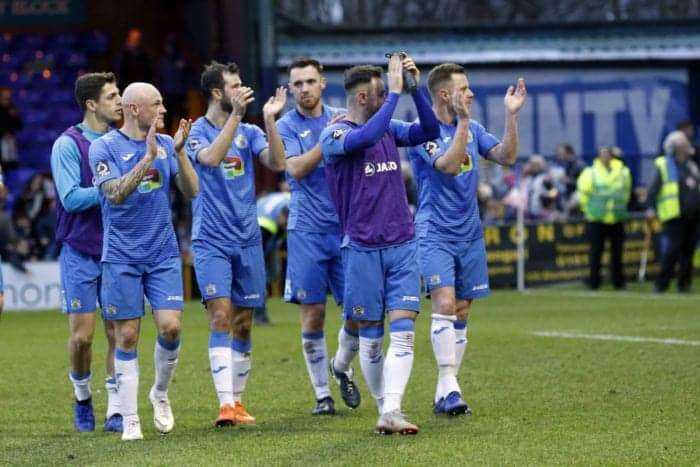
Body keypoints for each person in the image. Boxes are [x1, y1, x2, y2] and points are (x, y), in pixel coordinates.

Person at [320, 54, 440, 434]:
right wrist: (394, 93)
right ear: (362, 99)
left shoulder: (390, 127)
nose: (389, 95)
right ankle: (341, 368)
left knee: (403, 330)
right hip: (361, 247)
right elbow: (365, 137)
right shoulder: (334, 135)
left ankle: (390, 409)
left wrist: (416, 91)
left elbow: (431, 130)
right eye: (380, 93)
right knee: (369, 338)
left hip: (403, 243)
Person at [407, 63, 526, 416]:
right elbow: (446, 164)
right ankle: (451, 386)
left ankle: (445, 391)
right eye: (465, 88)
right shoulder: (421, 132)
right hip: (434, 232)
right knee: (443, 304)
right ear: (446, 94)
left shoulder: (473, 127)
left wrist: (511, 115)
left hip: (469, 232)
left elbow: (507, 156)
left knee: (461, 310)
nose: (471, 93)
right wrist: (460, 123)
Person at [89, 82, 199, 441]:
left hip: (162, 252)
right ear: (134, 109)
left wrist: (179, 153)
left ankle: (160, 394)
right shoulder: (104, 147)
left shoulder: (168, 144)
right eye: (157, 103)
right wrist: (147, 158)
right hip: (121, 255)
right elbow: (114, 194)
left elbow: (192, 191)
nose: (164, 109)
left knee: (171, 327)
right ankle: (131, 418)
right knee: (127, 335)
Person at [185, 61, 285, 427]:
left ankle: (238, 402)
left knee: (244, 323)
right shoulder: (196, 131)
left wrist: (270, 121)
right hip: (211, 239)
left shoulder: (249, 130)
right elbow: (210, 160)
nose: (242, 90)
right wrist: (236, 118)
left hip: (247, 239)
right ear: (217, 93)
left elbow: (277, 162)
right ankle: (225, 405)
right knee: (222, 316)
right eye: (234, 85)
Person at [277, 57, 362, 415]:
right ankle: (322, 395)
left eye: (310, 81)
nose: (304, 89)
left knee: (359, 312)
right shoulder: (286, 125)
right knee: (312, 316)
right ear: (290, 88)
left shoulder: (346, 116)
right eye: (297, 84)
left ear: (323, 83)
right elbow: (294, 168)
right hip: (307, 231)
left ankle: (341, 365)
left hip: (347, 228)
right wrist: (329, 137)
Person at [49, 72, 124, 433]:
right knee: (82, 337)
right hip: (80, 249)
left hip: (117, 249)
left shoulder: (120, 141)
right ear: (92, 104)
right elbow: (71, 198)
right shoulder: (68, 144)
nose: (120, 101)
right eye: (112, 96)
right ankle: (82, 397)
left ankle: (115, 410)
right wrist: (114, 187)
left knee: (117, 332)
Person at [647, 130, 700, 293]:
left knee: (689, 250)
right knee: (673, 249)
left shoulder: (691, 165)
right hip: (673, 215)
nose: (686, 145)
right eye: (683, 143)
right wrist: (651, 208)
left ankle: (684, 284)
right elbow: (653, 190)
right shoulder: (664, 164)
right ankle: (662, 283)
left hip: (693, 215)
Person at [577, 146, 632, 290]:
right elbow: (583, 192)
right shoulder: (590, 172)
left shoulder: (622, 171)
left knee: (617, 252)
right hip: (597, 217)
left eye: (608, 153)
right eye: (603, 153)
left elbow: (626, 192)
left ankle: (618, 281)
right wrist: (587, 209)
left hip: (616, 217)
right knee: (596, 252)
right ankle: (594, 281)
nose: (605, 156)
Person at [254, 189, 290, 324]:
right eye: (285, 223)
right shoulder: (265, 224)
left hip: (271, 238)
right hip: (258, 235)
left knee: (274, 273)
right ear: (281, 216)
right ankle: (259, 315)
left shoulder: (290, 202)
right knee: (259, 277)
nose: (287, 226)